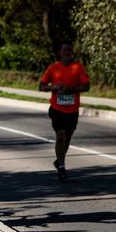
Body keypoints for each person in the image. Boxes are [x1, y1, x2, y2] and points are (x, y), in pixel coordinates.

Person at [39, 43, 90, 181]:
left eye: (69, 50)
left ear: (72, 52)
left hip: (72, 110)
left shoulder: (78, 67)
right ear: (60, 53)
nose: (67, 52)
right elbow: (41, 86)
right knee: (60, 136)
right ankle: (62, 167)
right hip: (57, 109)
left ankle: (59, 160)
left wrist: (72, 89)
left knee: (67, 139)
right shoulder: (53, 68)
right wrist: (54, 87)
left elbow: (87, 86)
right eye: (64, 50)